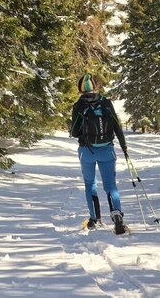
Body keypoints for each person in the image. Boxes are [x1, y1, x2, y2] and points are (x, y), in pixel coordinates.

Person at [69, 73, 129, 234]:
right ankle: (117, 216)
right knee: (110, 186)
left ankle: (94, 219)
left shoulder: (79, 106)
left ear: (80, 88)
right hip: (107, 150)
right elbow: (117, 126)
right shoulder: (106, 103)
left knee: (90, 185)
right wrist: (124, 146)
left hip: (87, 151)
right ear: (96, 86)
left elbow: (74, 132)